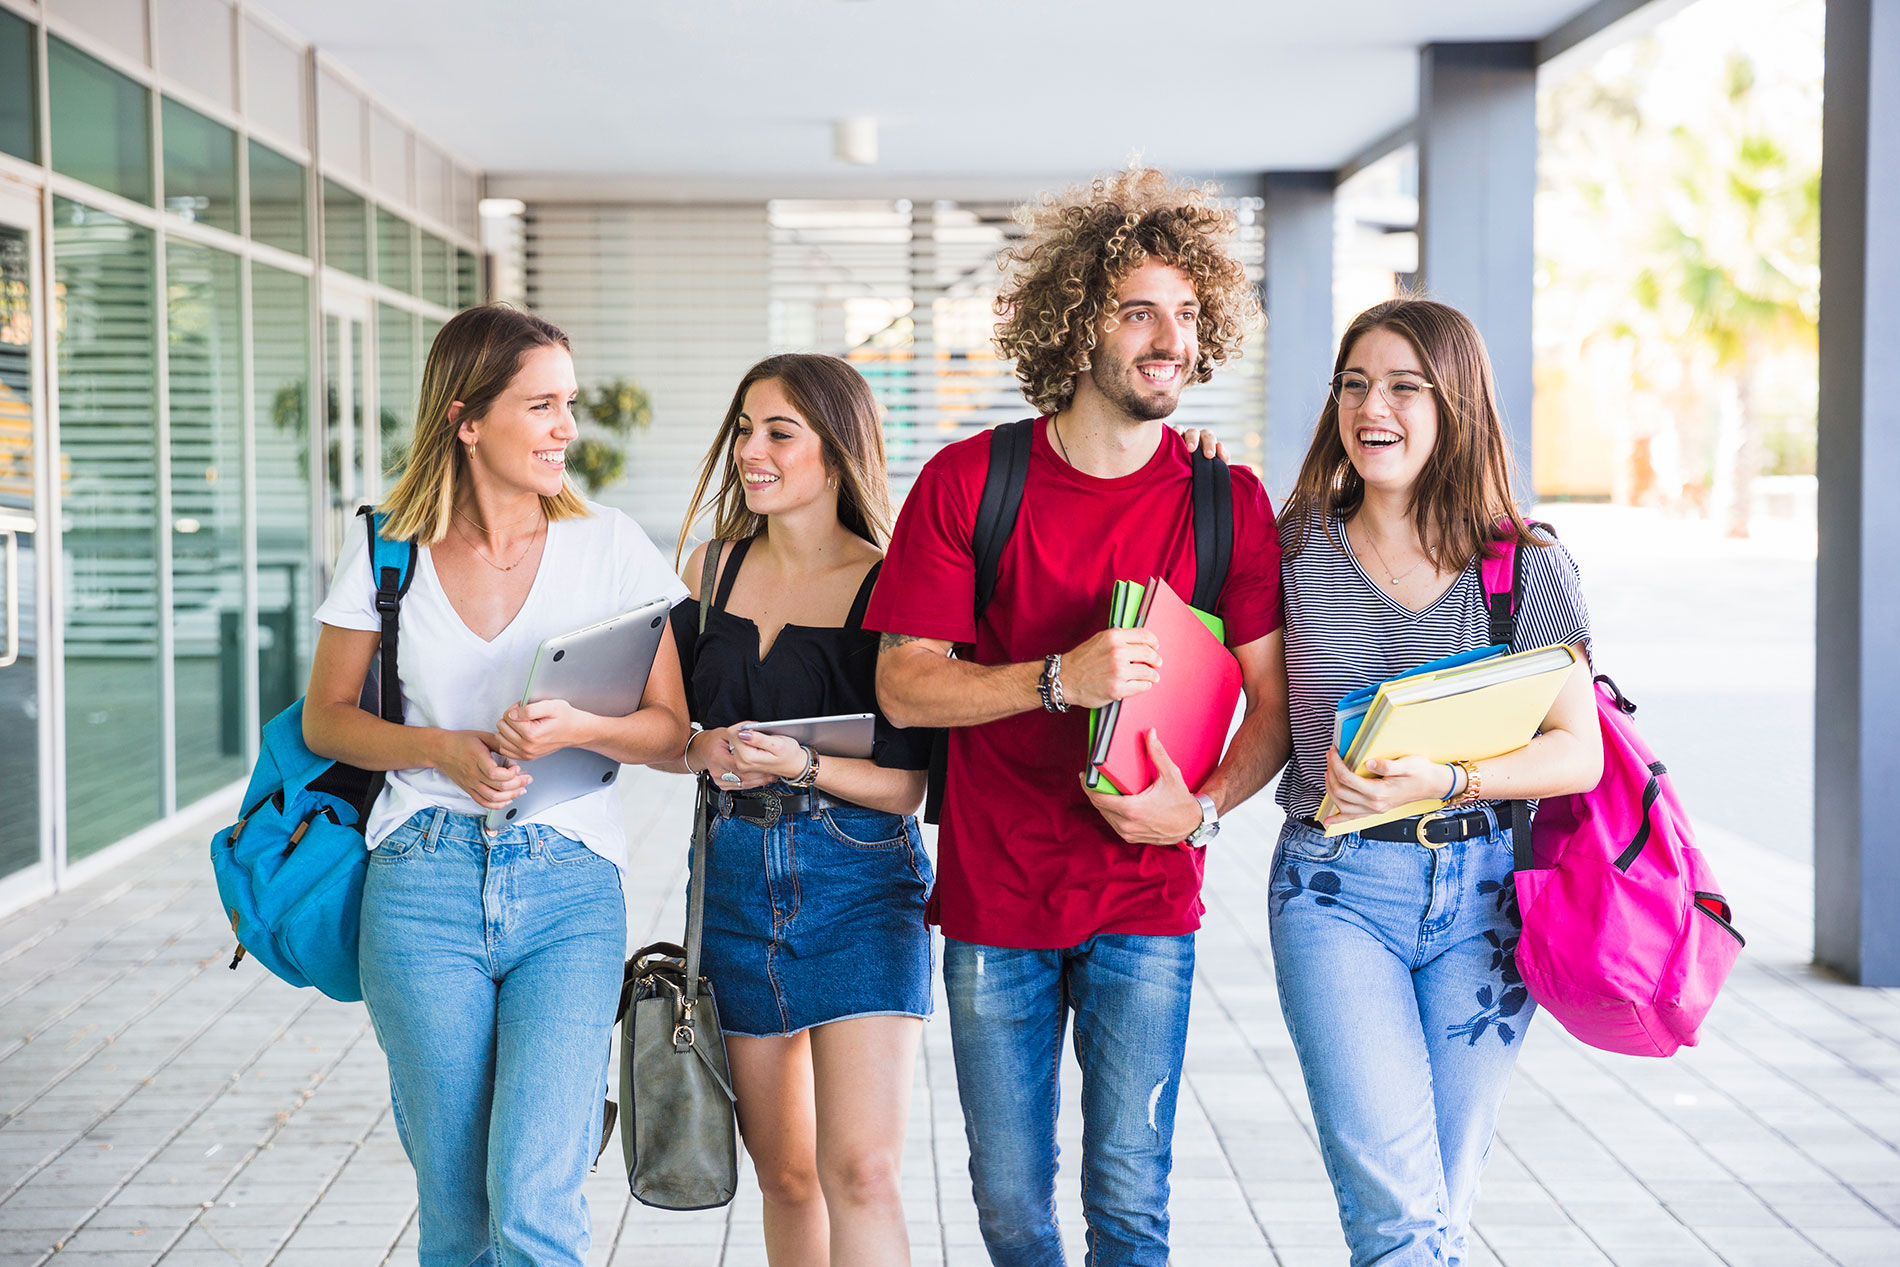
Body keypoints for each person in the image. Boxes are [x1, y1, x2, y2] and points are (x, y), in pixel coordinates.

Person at [867, 169, 1290, 1267]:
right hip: (995, 895)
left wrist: (1198, 810)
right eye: (1138, 310)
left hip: (1148, 901)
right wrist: (1054, 678)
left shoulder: (1223, 499)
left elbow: (1273, 701)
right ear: (1074, 323)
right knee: (1009, 1207)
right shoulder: (971, 481)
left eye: (1188, 314)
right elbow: (905, 682)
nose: (1170, 339)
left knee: (1131, 1208)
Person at [303, 305, 690, 1267]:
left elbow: (672, 730)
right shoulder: (389, 548)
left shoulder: (609, 545)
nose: (567, 426)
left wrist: (586, 725)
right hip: (420, 883)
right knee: (459, 1205)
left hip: (568, 885)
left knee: (535, 1196)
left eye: (569, 404)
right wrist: (442, 750)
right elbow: (327, 718)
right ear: (466, 420)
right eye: (543, 405)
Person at [1269, 297, 1603, 1266]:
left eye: (1406, 386)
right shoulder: (1291, 549)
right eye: (1355, 384)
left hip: (1483, 901)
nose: (1374, 406)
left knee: (1438, 1206)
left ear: (1454, 405)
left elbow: (1573, 751)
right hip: (1333, 892)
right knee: (1397, 1213)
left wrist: (1453, 777)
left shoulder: (1523, 566)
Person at [651, 353, 934, 1266]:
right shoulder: (709, 570)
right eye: (743, 429)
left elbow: (908, 788)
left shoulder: (891, 581)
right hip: (732, 882)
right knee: (786, 1176)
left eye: (779, 432)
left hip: (859, 881)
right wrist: (705, 748)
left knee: (862, 1170)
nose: (750, 451)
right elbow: (669, 733)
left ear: (838, 449)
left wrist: (804, 764)